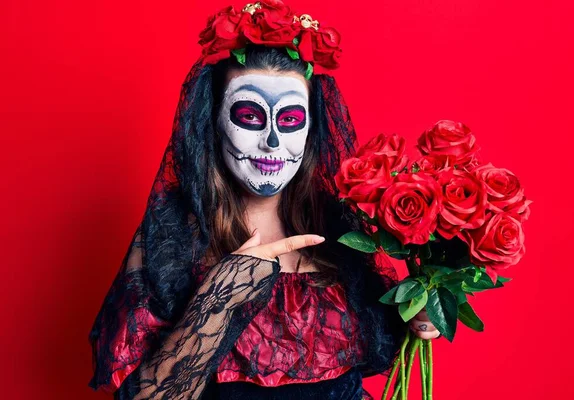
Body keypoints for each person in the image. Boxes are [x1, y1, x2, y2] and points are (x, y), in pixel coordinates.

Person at [87, 1, 440, 399]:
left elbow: (371, 358)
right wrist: (219, 297)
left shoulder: (339, 224)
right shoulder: (172, 234)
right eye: (250, 116)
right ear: (213, 122)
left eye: (289, 119)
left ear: (310, 129)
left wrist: (419, 312)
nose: (272, 141)